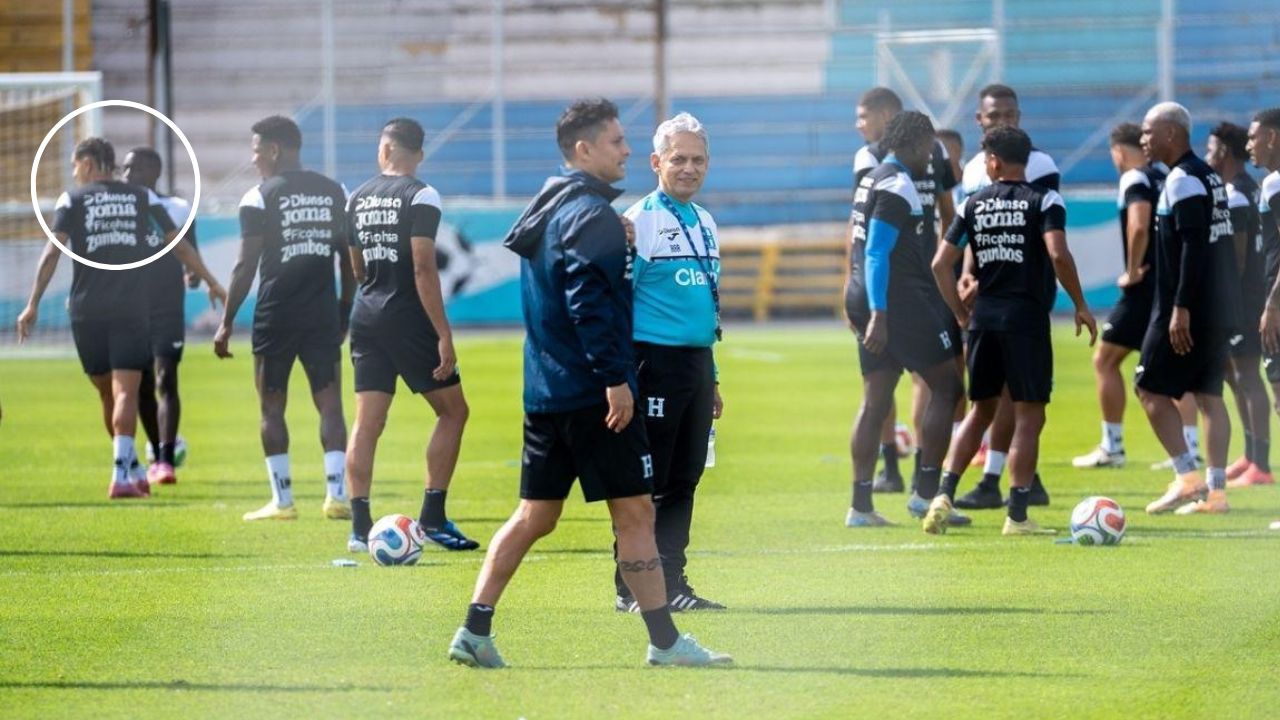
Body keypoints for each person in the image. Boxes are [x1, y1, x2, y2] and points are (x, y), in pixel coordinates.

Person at [447, 98, 730, 669]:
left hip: (544, 390)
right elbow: (588, 303)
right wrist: (614, 380)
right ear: (584, 149)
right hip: (593, 397)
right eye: (618, 142)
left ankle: (474, 629)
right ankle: (666, 642)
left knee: (535, 516)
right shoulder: (596, 217)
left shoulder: (548, 207)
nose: (627, 151)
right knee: (636, 514)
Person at [16, 137, 224, 498]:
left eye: (75, 166)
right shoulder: (140, 198)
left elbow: (52, 252)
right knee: (123, 390)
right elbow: (179, 245)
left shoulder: (73, 200)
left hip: (85, 309)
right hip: (131, 308)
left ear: (89, 163)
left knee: (106, 392)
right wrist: (213, 282)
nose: (74, 173)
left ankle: (125, 471)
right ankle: (127, 469)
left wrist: (33, 303)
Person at [928, 125, 1097, 536]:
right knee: (1029, 416)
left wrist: (961, 314)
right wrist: (1080, 304)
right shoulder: (1045, 199)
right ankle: (1017, 516)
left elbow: (939, 264)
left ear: (993, 161)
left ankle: (943, 496)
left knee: (980, 411)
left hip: (983, 320)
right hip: (1026, 321)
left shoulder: (973, 204)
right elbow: (1058, 253)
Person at [343, 118, 478, 553]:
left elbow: (356, 267)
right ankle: (433, 517)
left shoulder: (357, 197)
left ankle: (359, 528)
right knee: (453, 412)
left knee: (367, 423)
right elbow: (423, 267)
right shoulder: (422, 194)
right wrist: (443, 334)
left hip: (365, 315)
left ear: (384, 150)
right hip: (407, 316)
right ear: (418, 153)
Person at [213, 116, 356, 522]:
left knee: (271, 409)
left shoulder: (259, 196)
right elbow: (347, 259)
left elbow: (245, 266)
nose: (254, 159)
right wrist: (344, 309)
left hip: (275, 316)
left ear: (275, 150)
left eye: (257, 151)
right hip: (321, 313)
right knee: (330, 405)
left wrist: (226, 323)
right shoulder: (335, 192)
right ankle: (337, 497)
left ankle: (283, 501)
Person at [613, 112, 725, 612]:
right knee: (649, 481)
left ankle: (673, 584)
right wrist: (621, 377)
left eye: (698, 159)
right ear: (657, 162)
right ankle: (630, 588)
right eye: (678, 158)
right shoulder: (640, 221)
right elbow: (618, 304)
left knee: (685, 479)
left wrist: (713, 377)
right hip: (652, 365)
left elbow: (707, 305)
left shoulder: (705, 221)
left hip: (696, 366)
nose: (689, 168)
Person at [844, 111, 964, 528]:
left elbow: (860, 248)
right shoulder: (897, 183)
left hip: (864, 294)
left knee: (876, 398)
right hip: (897, 302)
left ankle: (860, 507)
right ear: (915, 143)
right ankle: (925, 496)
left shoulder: (872, 179)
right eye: (929, 146)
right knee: (947, 386)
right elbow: (877, 251)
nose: (932, 154)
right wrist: (880, 312)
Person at [952, 83, 1061, 511]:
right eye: (995, 115)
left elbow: (1037, 233)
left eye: (1010, 114)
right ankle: (1017, 480)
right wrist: (966, 274)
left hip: (1021, 291)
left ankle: (1002, 479)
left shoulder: (1038, 165)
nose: (1004, 121)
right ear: (979, 120)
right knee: (996, 393)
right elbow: (972, 232)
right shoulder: (971, 172)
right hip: (987, 289)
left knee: (1014, 394)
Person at [1136, 102, 1237, 516]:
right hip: (1216, 304)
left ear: (1172, 134)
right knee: (1209, 394)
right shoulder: (1209, 176)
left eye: (1148, 131)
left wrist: (1180, 307)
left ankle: (1186, 477)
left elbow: (1195, 247)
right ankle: (1216, 493)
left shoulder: (1182, 179)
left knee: (1147, 387)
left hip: (1186, 307)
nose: (1143, 139)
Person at [1071, 124, 1167, 469]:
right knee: (1172, 368)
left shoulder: (1133, 178)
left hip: (1143, 286)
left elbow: (1138, 225)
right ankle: (1191, 447)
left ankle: (1112, 447)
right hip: (1168, 284)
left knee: (1105, 361)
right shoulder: (1162, 176)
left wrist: (1132, 268)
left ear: (1118, 152)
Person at [121, 147, 201, 487]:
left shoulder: (178, 208)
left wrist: (194, 275)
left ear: (153, 171)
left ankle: (166, 460)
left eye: (133, 169)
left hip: (167, 306)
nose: (126, 176)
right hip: (129, 308)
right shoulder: (121, 211)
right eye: (124, 169)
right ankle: (155, 450)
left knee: (166, 378)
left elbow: (190, 252)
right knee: (139, 386)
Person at [1205, 122, 1272, 487]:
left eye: (1210, 148)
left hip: (1244, 302)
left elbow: (1238, 257)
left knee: (1247, 376)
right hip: (1249, 300)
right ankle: (1250, 456)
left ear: (1224, 152)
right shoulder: (1248, 189)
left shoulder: (1236, 194)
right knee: (1236, 375)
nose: (1207, 155)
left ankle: (1260, 464)